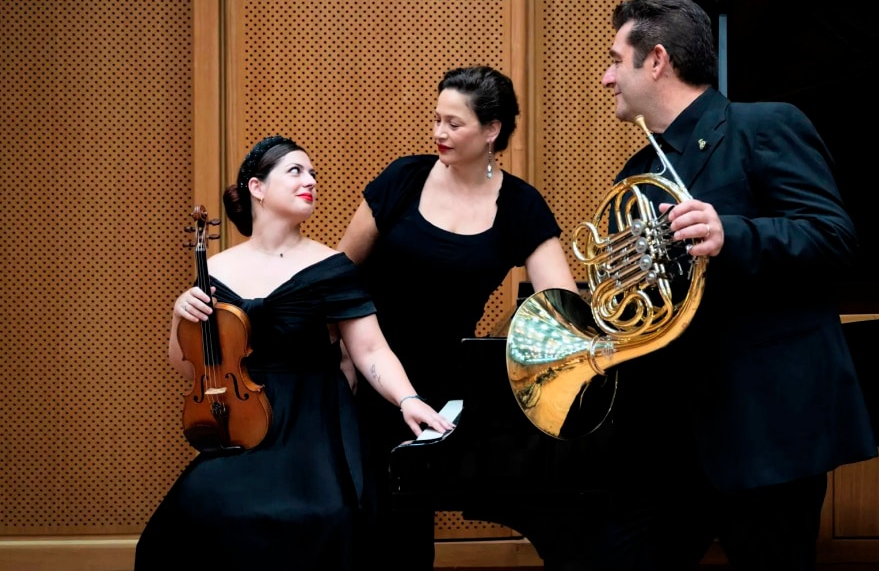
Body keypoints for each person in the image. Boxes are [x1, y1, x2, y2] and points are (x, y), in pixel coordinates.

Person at [587, 0, 879, 570]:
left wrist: (734, 234)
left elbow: (834, 237)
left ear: (657, 60)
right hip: (666, 441)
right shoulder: (637, 174)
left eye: (616, 60)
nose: (606, 77)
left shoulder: (763, 126)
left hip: (765, 433)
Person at [135, 135, 454, 571]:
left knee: (326, 518)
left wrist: (408, 399)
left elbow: (371, 350)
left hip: (315, 421)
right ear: (257, 187)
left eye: (313, 173)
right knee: (190, 513)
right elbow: (189, 366)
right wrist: (179, 315)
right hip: (243, 424)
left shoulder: (332, 268)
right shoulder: (216, 270)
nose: (311, 181)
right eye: (295, 171)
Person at [337, 65, 577, 569]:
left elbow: (560, 306)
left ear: (492, 130)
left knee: (406, 530)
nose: (438, 133)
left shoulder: (521, 206)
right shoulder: (403, 179)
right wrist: (341, 354)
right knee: (350, 518)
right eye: (436, 119)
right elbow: (340, 275)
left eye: (453, 123)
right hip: (364, 367)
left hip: (440, 387)